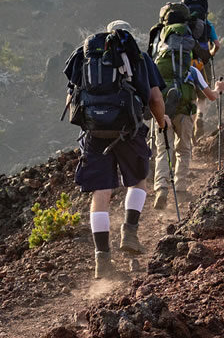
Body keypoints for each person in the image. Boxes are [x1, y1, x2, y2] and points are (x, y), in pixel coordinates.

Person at [64, 21, 171, 279]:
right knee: (138, 183)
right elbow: (155, 99)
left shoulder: (84, 57)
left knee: (100, 194)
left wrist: (93, 120)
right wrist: (160, 121)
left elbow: (71, 100)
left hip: (94, 134)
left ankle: (102, 261)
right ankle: (129, 232)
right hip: (128, 131)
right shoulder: (139, 57)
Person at [152, 65, 224, 209]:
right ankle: (180, 190)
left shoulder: (157, 65)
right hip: (185, 115)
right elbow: (210, 96)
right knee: (183, 150)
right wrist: (218, 89)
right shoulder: (191, 70)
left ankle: (161, 189)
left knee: (163, 150)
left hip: (163, 114)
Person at [181, 0, 221, 141]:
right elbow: (217, 45)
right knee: (202, 95)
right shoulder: (207, 24)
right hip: (203, 63)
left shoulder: (183, 24)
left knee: (189, 95)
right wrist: (209, 54)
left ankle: (190, 123)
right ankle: (200, 116)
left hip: (186, 61)